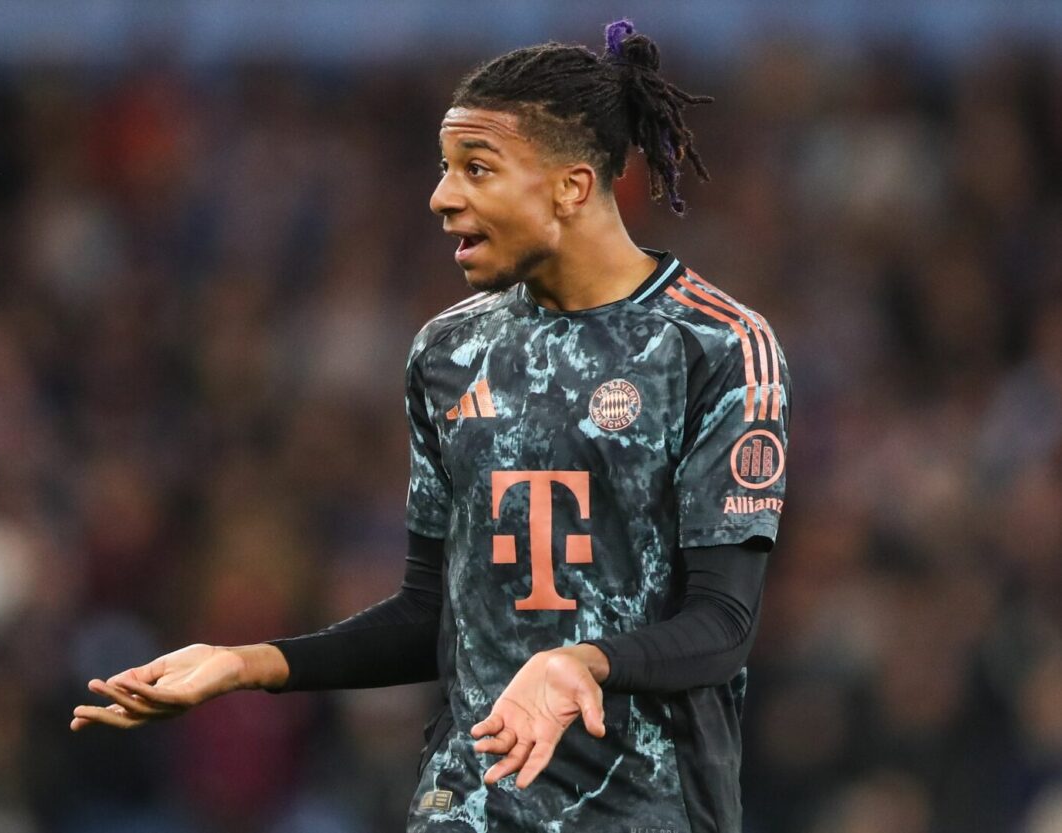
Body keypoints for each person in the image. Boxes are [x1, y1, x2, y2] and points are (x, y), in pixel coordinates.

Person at [72, 19, 790, 833]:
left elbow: (723, 624)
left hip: (647, 807)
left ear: (572, 186)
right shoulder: (451, 352)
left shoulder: (715, 346)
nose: (442, 197)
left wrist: (582, 661)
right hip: (470, 802)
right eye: (445, 168)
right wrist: (244, 663)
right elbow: (432, 614)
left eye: (476, 168)